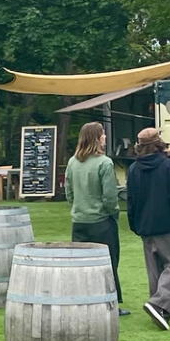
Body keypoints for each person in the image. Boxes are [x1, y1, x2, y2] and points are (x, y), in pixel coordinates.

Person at [126, 127, 170, 331]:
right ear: (159, 142)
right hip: (169, 226)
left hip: (145, 227)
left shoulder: (133, 170)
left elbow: (131, 202)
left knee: (155, 271)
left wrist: (135, 225)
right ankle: (159, 304)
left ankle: (161, 311)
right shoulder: (169, 167)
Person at [67, 121, 127, 316]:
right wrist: (114, 213)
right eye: (102, 134)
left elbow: (69, 192)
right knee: (109, 263)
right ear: (96, 138)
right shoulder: (105, 163)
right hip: (101, 222)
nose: (105, 137)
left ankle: (84, 302)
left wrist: (78, 206)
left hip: (79, 221)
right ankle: (111, 304)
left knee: (82, 265)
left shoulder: (72, 162)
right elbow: (109, 196)